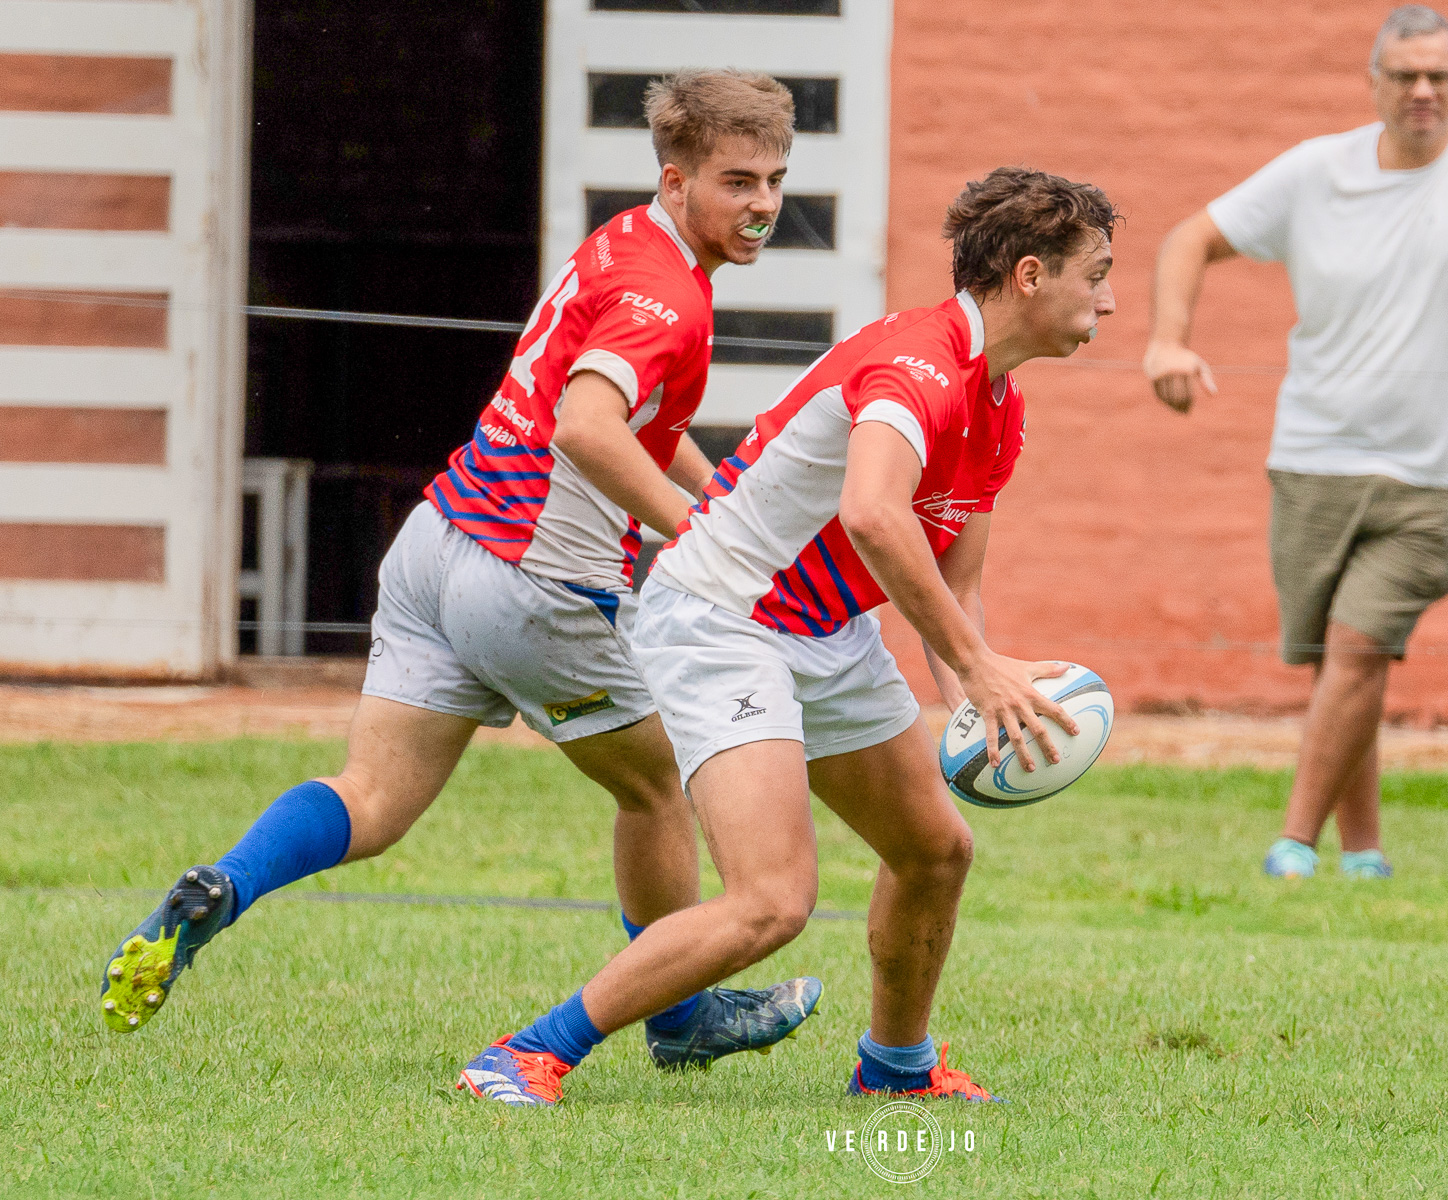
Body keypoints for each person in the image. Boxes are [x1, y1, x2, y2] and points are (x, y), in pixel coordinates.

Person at [101, 71, 820, 1084]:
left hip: (439, 547)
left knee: (374, 800)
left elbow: (643, 427)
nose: (762, 204)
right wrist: (701, 543)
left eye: (776, 180)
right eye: (738, 180)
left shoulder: (631, 242)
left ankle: (222, 884)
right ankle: (680, 1016)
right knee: (656, 786)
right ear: (677, 176)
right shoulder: (665, 297)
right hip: (531, 584)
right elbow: (586, 427)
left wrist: (727, 510)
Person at [456, 166, 1116, 1107]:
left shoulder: (1000, 409)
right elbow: (876, 516)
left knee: (936, 850)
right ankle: (523, 1055)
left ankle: (895, 1069)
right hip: (725, 618)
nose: (1111, 298)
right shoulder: (917, 367)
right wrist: (978, 665)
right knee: (772, 900)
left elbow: (955, 576)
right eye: (1097, 274)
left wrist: (977, 696)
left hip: (824, 631)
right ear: (1030, 275)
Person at [1143, 6, 1448, 880]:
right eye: (1405, 76)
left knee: (1357, 649)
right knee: (1336, 666)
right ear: (1376, 85)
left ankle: (1292, 844)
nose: (1424, 91)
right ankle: (1365, 855)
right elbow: (1188, 238)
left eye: (1440, 75)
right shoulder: (1319, 171)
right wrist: (1169, 339)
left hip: (1435, 475)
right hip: (1313, 457)